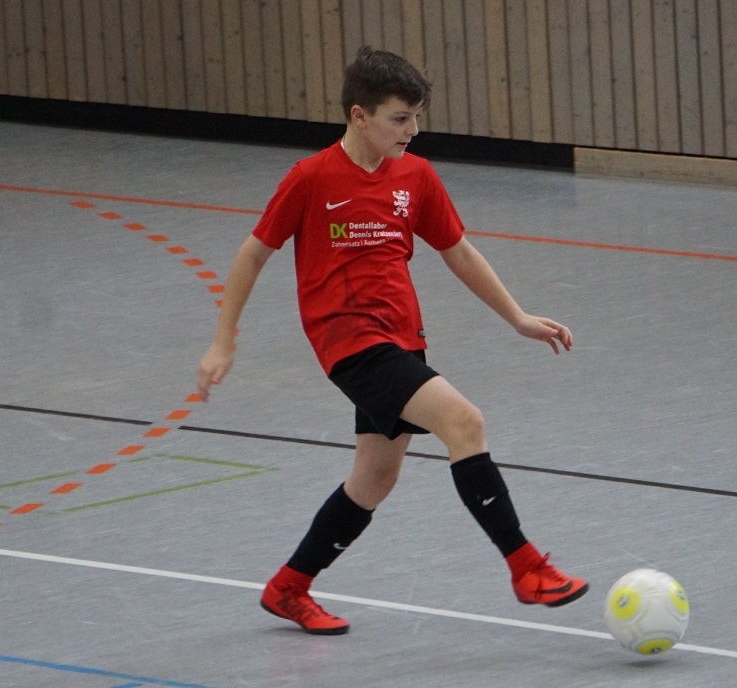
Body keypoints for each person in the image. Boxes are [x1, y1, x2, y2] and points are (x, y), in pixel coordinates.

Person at [197, 46, 588, 635]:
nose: (412, 130)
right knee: (464, 421)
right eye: (400, 118)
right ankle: (526, 568)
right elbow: (253, 254)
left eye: (416, 117)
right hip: (350, 343)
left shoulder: (415, 176)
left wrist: (516, 317)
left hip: (403, 337)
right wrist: (222, 341)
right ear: (360, 116)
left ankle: (288, 588)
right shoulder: (311, 178)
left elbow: (457, 251)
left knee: (375, 478)